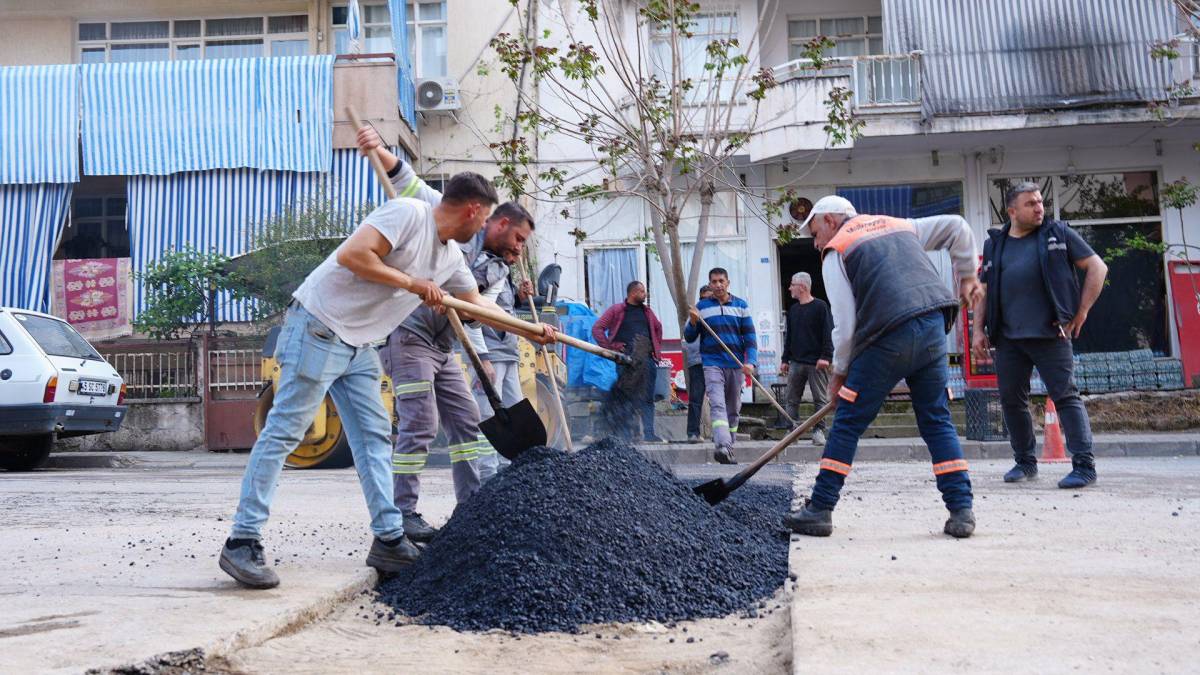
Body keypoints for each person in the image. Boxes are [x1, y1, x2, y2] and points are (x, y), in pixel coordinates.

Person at [218, 170, 555, 590]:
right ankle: (242, 539)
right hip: (318, 327)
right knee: (285, 431)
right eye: (485, 217)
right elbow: (354, 256)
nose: (485, 227)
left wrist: (530, 330)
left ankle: (389, 538)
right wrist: (413, 284)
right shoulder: (408, 214)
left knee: (374, 436)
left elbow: (475, 305)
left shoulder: (450, 258)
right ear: (474, 211)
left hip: (358, 343)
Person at [356, 127, 537, 541]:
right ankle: (403, 513)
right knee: (419, 423)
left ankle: (471, 507)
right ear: (485, 215)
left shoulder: (487, 263)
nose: (520, 247)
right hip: (409, 335)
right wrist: (378, 148)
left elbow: (474, 310)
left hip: (442, 345)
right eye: (519, 238)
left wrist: (529, 330)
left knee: (467, 423)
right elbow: (404, 177)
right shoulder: (443, 212)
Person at [782, 195, 982, 539]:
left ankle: (820, 508)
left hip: (887, 336)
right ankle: (961, 511)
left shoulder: (838, 251)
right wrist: (967, 276)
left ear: (831, 220)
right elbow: (958, 227)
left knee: (846, 421)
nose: (815, 244)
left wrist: (840, 374)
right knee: (936, 419)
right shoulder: (899, 225)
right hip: (933, 325)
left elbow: (845, 327)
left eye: (815, 234)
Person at [972, 182, 1108, 489]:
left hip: (1050, 334)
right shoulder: (996, 243)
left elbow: (1097, 268)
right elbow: (984, 289)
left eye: (1040, 202)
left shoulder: (1057, 234)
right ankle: (1025, 462)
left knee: (1065, 397)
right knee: (1011, 401)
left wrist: (1081, 311)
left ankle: (1084, 466)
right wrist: (977, 330)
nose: (1039, 208)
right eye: (1031, 203)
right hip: (1008, 338)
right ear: (1012, 211)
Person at [684, 268, 756, 464]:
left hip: (735, 363)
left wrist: (750, 362)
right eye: (714, 282)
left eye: (721, 281)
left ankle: (729, 443)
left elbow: (750, 337)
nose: (717, 285)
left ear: (728, 282)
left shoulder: (741, 306)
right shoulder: (702, 307)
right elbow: (689, 337)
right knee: (717, 403)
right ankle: (722, 445)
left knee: (733, 407)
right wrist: (692, 321)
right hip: (711, 363)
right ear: (710, 284)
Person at [593, 280, 665, 442]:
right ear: (632, 293)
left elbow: (658, 328)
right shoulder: (617, 310)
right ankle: (624, 435)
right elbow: (597, 328)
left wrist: (655, 349)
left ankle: (649, 433)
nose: (644, 294)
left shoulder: (647, 312)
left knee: (648, 398)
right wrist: (610, 348)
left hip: (646, 361)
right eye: (642, 291)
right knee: (626, 398)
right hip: (626, 361)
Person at [780, 272, 834, 445]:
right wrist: (784, 359)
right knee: (791, 398)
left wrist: (826, 356)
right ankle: (792, 431)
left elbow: (828, 333)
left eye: (792, 285)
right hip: (796, 361)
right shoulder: (793, 310)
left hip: (817, 362)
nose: (790, 288)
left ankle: (819, 431)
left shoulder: (820, 306)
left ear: (802, 287)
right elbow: (789, 337)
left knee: (820, 399)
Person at [683, 285, 713, 442]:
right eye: (703, 298)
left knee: (718, 398)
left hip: (716, 361)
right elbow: (690, 339)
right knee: (696, 398)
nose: (706, 301)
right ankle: (693, 433)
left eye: (709, 298)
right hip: (698, 362)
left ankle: (720, 433)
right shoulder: (694, 315)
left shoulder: (716, 314)